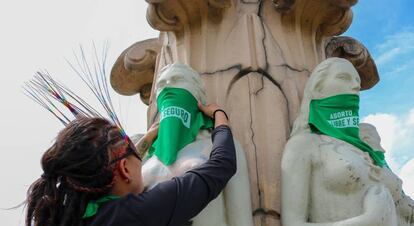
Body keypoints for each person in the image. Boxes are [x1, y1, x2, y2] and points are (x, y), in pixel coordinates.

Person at [25, 102, 236, 226]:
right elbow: (221, 166)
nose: (141, 159)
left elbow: (123, 164)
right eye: (136, 154)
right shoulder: (132, 214)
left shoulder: (73, 217)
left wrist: (147, 139)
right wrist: (220, 117)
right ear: (124, 169)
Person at [281, 57, 397, 226]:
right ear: (317, 89)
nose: (356, 85)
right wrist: (368, 221)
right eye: (344, 77)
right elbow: (292, 223)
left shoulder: (366, 150)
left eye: (357, 80)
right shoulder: (304, 144)